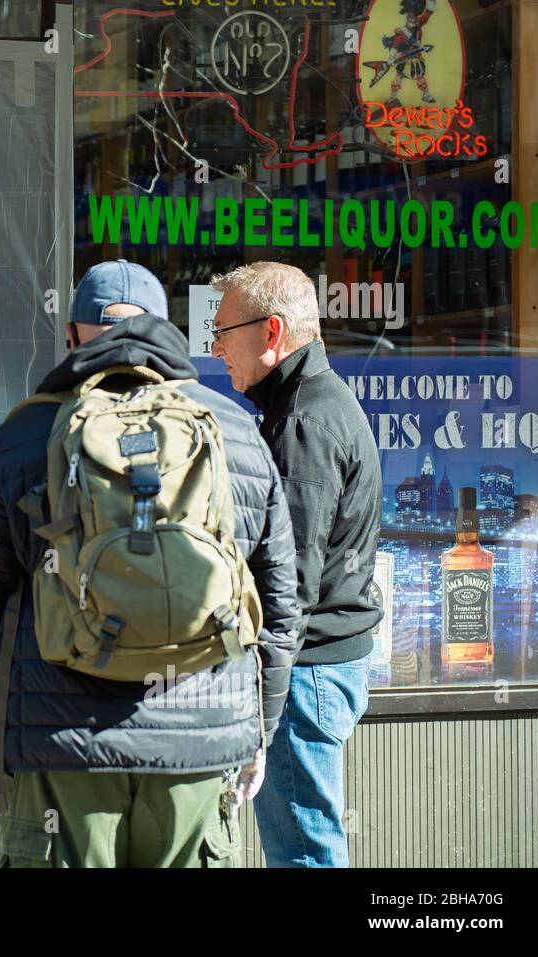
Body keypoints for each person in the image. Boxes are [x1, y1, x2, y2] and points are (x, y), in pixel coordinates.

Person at [0, 260, 302, 867]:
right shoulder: (235, 429)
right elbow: (280, 606)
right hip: (199, 746)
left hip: (58, 750)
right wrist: (256, 729)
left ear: (73, 337)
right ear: (166, 329)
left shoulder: (22, 436)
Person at [210, 262, 383, 867]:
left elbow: (288, 583)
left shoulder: (304, 422)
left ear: (272, 332)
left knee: (304, 853)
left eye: (223, 328)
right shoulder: (309, 403)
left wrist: (261, 694)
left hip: (305, 670)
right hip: (318, 664)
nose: (214, 345)